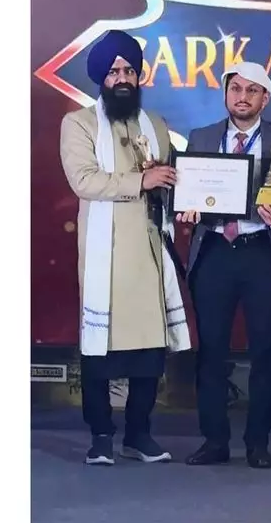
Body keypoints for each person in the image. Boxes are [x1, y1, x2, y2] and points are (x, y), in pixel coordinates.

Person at [60, 30, 191, 466]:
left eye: (130, 70)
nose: (122, 78)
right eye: (114, 71)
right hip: (107, 255)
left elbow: (170, 178)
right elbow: (84, 181)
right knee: (100, 352)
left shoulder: (154, 124)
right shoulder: (79, 124)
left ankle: (138, 434)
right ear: (101, 77)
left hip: (150, 252)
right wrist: (142, 180)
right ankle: (101, 436)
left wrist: (190, 199)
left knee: (149, 351)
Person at [176, 62, 271, 469]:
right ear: (225, 94)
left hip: (261, 251)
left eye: (252, 90)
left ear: (266, 98)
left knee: (264, 350)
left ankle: (257, 444)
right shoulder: (201, 137)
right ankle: (214, 441)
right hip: (214, 250)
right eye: (235, 89)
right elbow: (187, 191)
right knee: (211, 350)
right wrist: (188, 208)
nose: (242, 97)